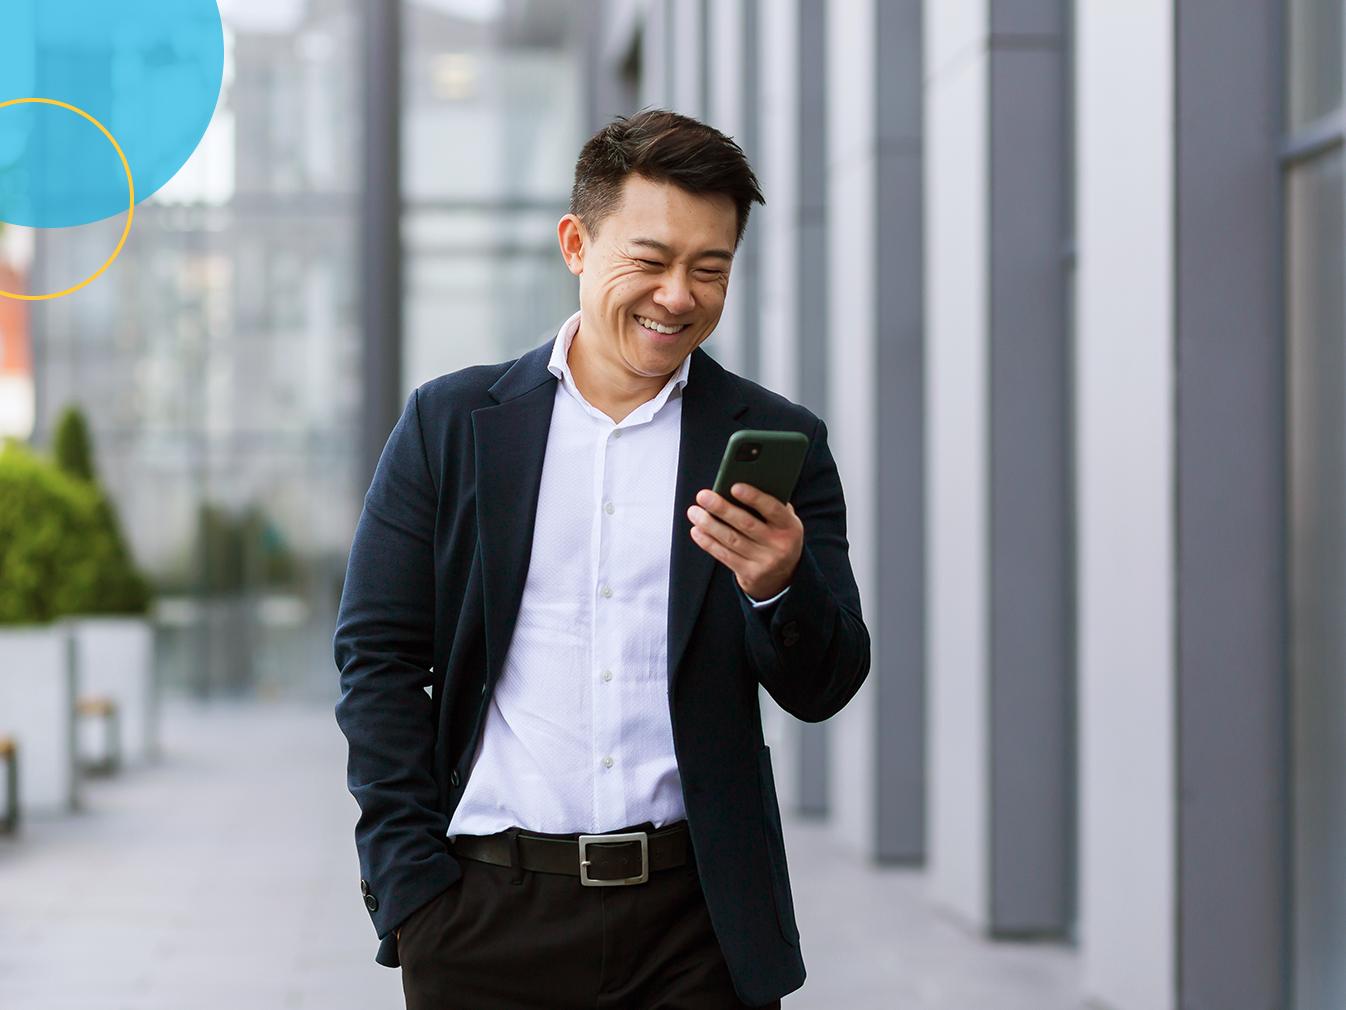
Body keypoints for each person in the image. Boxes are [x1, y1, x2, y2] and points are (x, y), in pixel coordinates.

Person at [334, 108, 870, 1010]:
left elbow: (825, 685)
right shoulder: (451, 426)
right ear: (576, 244)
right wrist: (410, 890)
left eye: (711, 268)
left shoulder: (779, 441)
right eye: (651, 261)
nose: (678, 295)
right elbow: (378, 659)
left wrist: (780, 587)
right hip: (484, 920)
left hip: (695, 929)